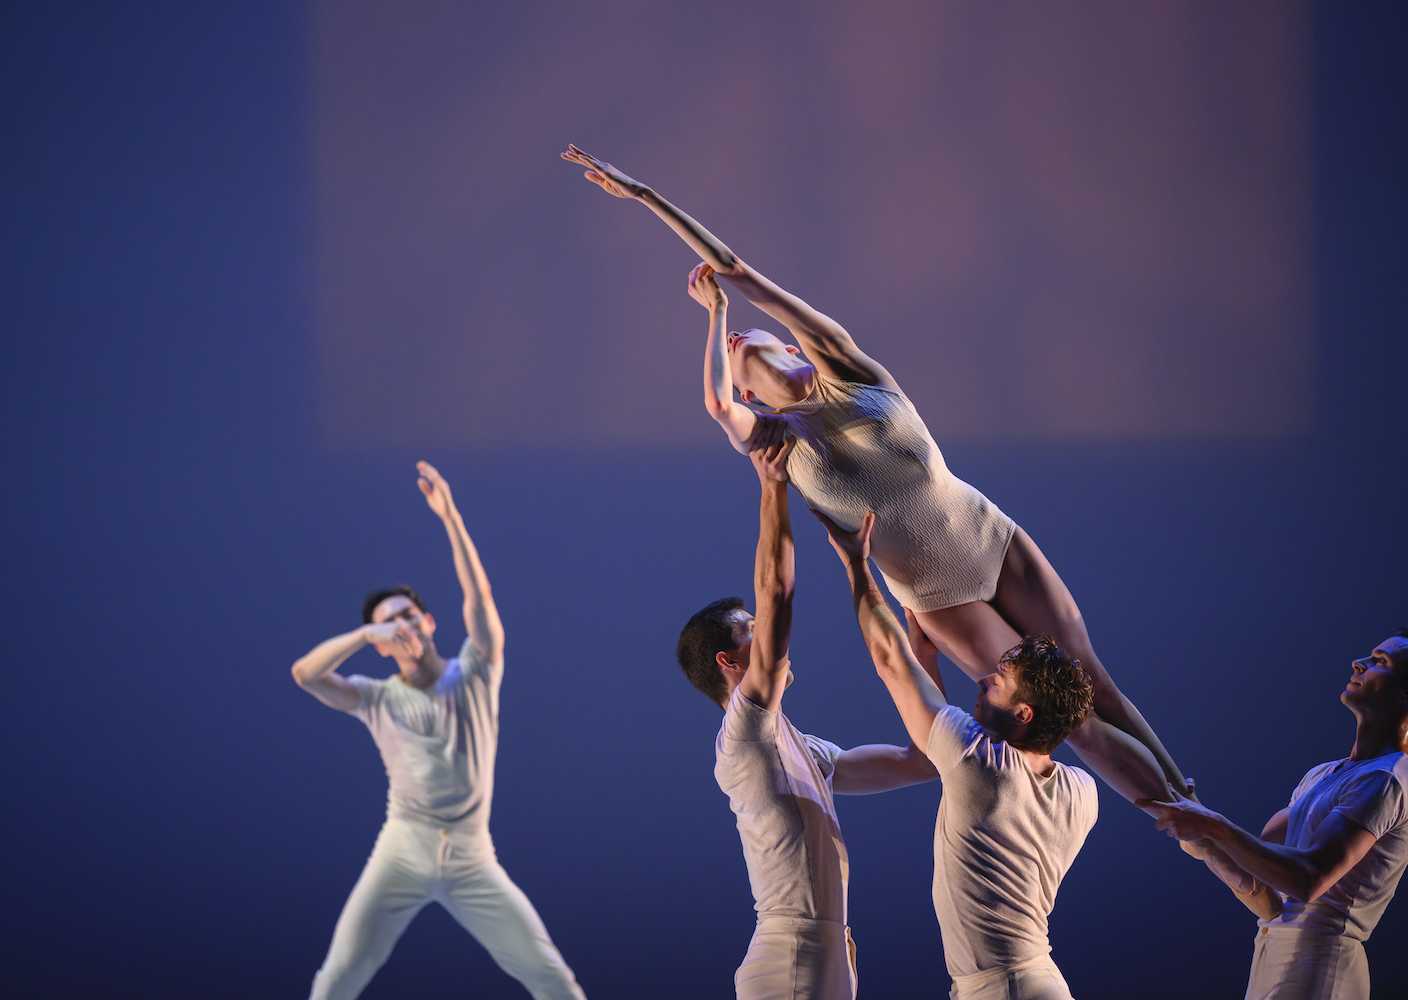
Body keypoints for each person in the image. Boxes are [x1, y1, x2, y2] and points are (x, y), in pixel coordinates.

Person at [562, 145, 1186, 805]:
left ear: (791, 345)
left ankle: (1194, 806)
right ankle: (1193, 834)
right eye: (730, 349)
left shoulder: (849, 368)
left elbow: (738, 270)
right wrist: (714, 318)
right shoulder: (778, 444)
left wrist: (646, 195)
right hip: (939, 595)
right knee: (1075, 723)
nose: (738, 339)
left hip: (986, 532)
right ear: (750, 396)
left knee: (1096, 682)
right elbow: (718, 405)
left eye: (745, 332)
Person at [290, 462, 585, 1000]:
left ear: (428, 623)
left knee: (550, 976)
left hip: (472, 857)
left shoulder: (476, 670)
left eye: (407, 615)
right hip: (402, 850)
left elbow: (481, 598)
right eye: (388, 623)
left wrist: (450, 516)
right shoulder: (375, 696)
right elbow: (305, 675)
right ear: (381, 644)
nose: (400, 625)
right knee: (337, 978)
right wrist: (363, 633)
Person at [676, 435, 942, 1000]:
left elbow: (924, 760)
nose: (765, 630)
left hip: (821, 957)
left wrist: (923, 652)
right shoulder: (744, 733)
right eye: (751, 629)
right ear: (729, 662)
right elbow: (775, 592)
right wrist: (773, 487)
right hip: (793, 958)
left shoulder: (799, 749)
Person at [817, 509, 1097, 1000]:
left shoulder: (980, 762)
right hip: (1032, 981)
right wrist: (925, 658)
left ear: (1024, 713)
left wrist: (857, 565)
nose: (985, 679)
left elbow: (890, 661)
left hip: (1005, 988)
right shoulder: (1082, 791)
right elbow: (935, 743)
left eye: (1000, 681)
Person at [1141, 629, 1408, 1000]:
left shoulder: (1388, 778)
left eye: (1380, 661)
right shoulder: (1322, 774)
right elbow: (1255, 874)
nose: (1359, 663)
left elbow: (1308, 879)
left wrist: (1214, 827)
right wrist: (1203, 837)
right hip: (1273, 955)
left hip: (1321, 966)